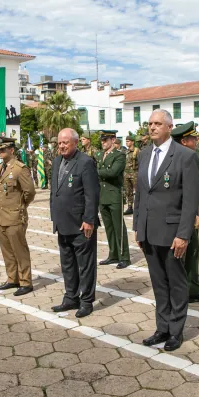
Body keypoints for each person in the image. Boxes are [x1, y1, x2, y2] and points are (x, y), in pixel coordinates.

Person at [134, 109, 199, 352]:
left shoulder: (184, 156)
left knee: (176, 283)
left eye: (157, 123)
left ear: (170, 127)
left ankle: (175, 331)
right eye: (150, 123)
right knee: (159, 283)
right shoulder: (144, 154)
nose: (152, 127)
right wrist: (138, 228)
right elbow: (140, 194)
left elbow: (190, 201)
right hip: (150, 232)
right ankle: (161, 327)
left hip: (173, 233)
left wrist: (183, 234)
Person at [50, 128, 100, 318]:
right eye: (60, 143)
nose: (62, 146)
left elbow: (92, 194)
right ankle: (71, 297)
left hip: (81, 225)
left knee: (85, 265)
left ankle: (86, 301)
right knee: (67, 264)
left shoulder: (85, 162)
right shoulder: (56, 162)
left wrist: (89, 219)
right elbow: (54, 192)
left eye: (66, 143)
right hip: (62, 223)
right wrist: (54, 216)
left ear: (76, 143)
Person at [171, 122, 199, 303]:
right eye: (192, 138)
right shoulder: (171, 156)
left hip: (194, 203)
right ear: (184, 141)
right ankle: (182, 286)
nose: (196, 141)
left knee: (195, 244)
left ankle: (193, 286)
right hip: (174, 204)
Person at [0, 137, 36, 296]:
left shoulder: (19, 168)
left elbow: (29, 192)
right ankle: (13, 278)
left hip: (16, 216)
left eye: (3, 149)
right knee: (7, 250)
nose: (0, 152)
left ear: (12, 150)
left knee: (19, 250)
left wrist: (21, 206)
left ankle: (26, 282)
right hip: (2, 216)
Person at [96, 130, 130, 269]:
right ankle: (113, 254)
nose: (103, 143)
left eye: (106, 140)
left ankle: (124, 256)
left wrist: (96, 172)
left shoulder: (119, 155)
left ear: (113, 140)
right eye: (102, 140)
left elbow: (113, 172)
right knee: (109, 227)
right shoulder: (99, 155)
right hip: (102, 194)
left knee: (118, 227)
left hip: (114, 194)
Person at [124, 136, 139, 215]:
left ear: (132, 142)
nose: (127, 143)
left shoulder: (136, 151)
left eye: (128, 141)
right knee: (128, 191)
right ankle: (130, 207)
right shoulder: (125, 152)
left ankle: (139, 206)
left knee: (138, 191)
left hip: (134, 173)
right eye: (126, 141)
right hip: (126, 174)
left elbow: (141, 162)